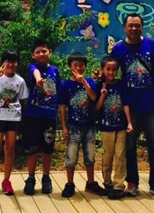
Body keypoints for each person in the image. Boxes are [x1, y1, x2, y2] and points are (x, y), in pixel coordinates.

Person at [110, 13, 154, 199]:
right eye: (131, 26)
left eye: (137, 25)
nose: (134, 28)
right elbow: (110, 70)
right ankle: (132, 182)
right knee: (129, 146)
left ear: (142, 27)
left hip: (151, 104)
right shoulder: (119, 49)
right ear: (125, 28)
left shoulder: (152, 45)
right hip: (129, 106)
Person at [0, 50, 29, 197]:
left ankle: (6, 181)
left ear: (17, 64)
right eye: (8, 61)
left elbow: (22, 98)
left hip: (13, 118)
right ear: (3, 62)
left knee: (9, 149)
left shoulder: (20, 81)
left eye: (14, 61)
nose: (11, 64)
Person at [59, 52, 107, 198]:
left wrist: (84, 82)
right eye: (75, 65)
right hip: (73, 126)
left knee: (90, 155)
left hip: (89, 125)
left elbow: (93, 97)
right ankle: (69, 184)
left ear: (85, 67)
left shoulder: (90, 82)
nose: (79, 68)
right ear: (70, 67)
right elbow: (62, 106)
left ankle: (91, 183)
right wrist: (64, 127)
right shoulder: (65, 85)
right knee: (71, 156)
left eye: (81, 65)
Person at [23, 39, 60, 195]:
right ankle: (31, 178)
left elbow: (58, 89)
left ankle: (46, 177)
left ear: (49, 53)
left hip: (49, 116)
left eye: (44, 51)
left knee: (47, 149)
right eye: (37, 52)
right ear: (33, 55)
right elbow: (35, 73)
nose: (41, 54)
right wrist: (38, 80)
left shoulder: (55, 71)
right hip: (33, 116)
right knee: (32, 149)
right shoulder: (33, 67)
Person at [95, 56, 133, 200]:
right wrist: (103, 96)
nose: (111, 72)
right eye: (108, 69)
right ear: (103, 70)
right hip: (106, 127)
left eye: (114, 69)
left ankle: (118, 186)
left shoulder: (121, 85)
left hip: (121, 126)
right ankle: (107, 183)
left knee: (120, 155)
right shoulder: (100, 85)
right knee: (108, 155)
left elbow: (126, 104)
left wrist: (129, 122)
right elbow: (97, 107)